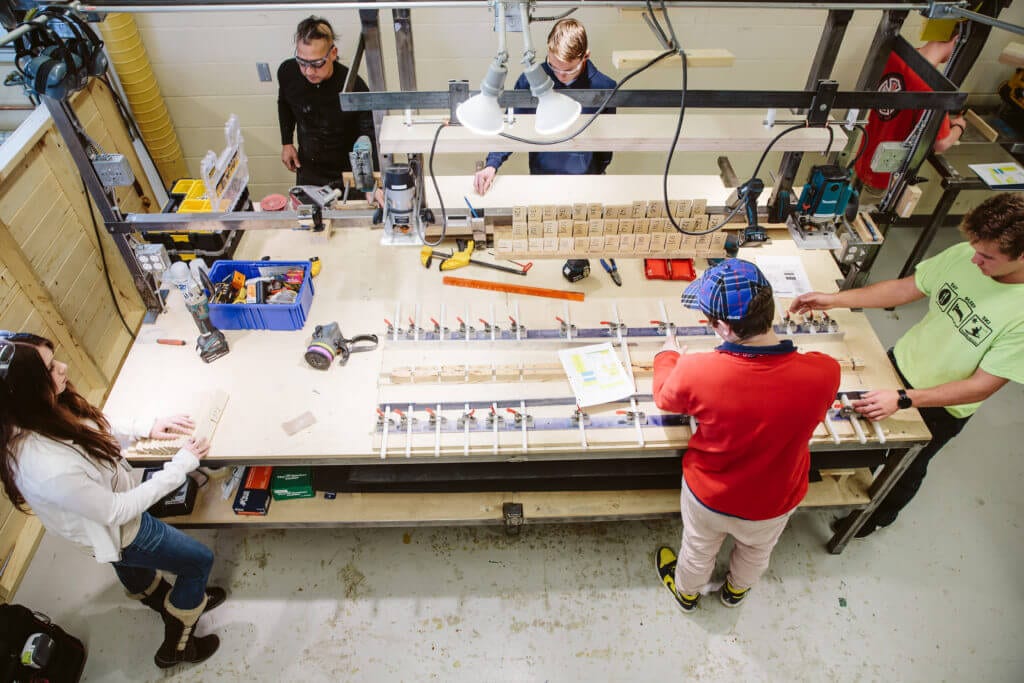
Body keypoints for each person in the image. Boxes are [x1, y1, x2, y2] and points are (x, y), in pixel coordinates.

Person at [790, 192, 1024, 537]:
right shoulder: (965, 256)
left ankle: (874, 517)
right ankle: (858, 469)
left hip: (940, 406)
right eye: (974, 248)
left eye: (987, 256)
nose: (974, 260)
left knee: (908, 465)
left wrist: (904, 399)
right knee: (865, 438)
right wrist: (835, 300)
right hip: (899, 364)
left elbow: (982, 386)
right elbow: (904, 289)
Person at [0, 332, 224, 669]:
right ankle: (179, 641)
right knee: (197, 562)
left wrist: (145, 426)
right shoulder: (44, 465)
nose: (62, 367)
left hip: (100, 523)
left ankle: (171, 601)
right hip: (120, 527)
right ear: (28, 387)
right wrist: (179, 467)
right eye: (50, 368)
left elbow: (87, 428)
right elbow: (117, 511)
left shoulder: (36, 412)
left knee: (131, 567)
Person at [651, 261, 840, 612]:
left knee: (698, 548)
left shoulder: (697, 371)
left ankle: (687, 594)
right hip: (776, 498)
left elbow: (664, 397)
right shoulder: (825, 372)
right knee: (757, 551)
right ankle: (735, 593)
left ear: (722, 327)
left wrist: (667, 355)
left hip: (711, 495)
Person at [472, 18, 616, 196]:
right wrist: (492, 164)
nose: (560, 75)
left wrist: (596, 173)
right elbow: (513, 127)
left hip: (585, 182)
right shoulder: (531, 81)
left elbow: (606, 145)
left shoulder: (603, 87)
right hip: (542, 179)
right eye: (553, 66)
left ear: (585, 56)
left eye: (569, 70)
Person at [278, 16, 382, 204]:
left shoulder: (353, 87)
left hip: (345, 174)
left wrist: (370, 183)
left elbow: (370, 136)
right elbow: (284, 103)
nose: (309, 71)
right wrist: (286, 142)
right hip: (308, 170)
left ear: (333, 53)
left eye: (317, 64)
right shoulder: (287, 72)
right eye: (302, 62)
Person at [854, 36, 966, 192]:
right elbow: (941, 143)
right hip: (886, 176)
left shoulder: (896, 55)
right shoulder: (932, 87)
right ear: (957, 38)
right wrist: (959, 127)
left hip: (862, 158)